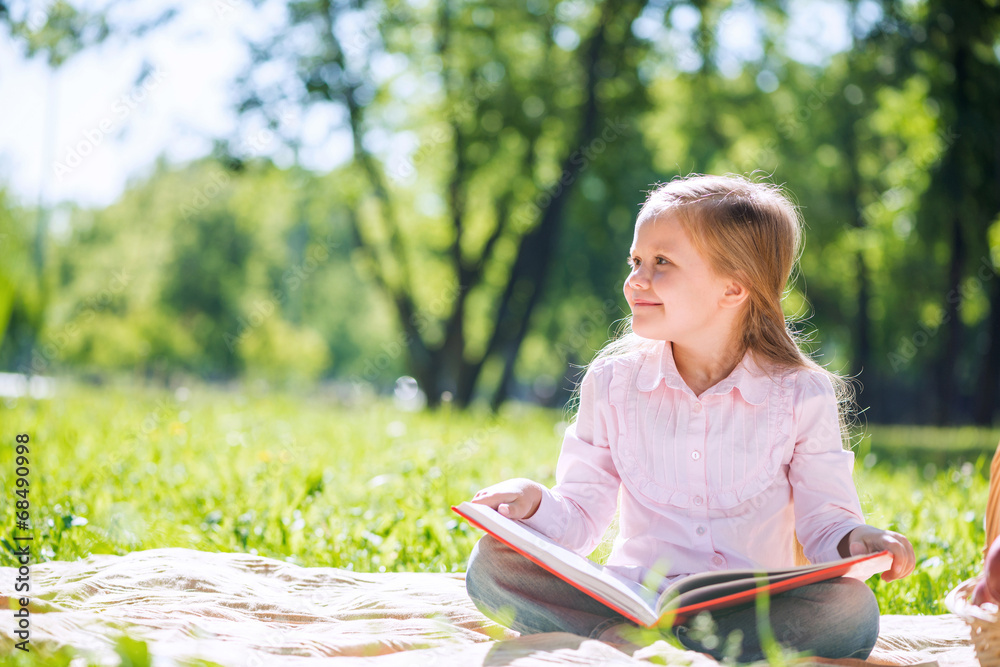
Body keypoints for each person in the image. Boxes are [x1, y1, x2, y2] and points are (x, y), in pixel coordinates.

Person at [463, 174, 915, 661]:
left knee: (850, 608)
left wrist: (857, 539)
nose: (636, 279)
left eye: (662, 263)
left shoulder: (802, 394)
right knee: (490, 565)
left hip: (750, 608)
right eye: (636, 261)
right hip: (632, 599)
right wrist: (533, 503)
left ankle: (650, 648)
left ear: (733, 288)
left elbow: (825, 522)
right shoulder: (613, 381)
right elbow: (580, 517)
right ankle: (645, 638)